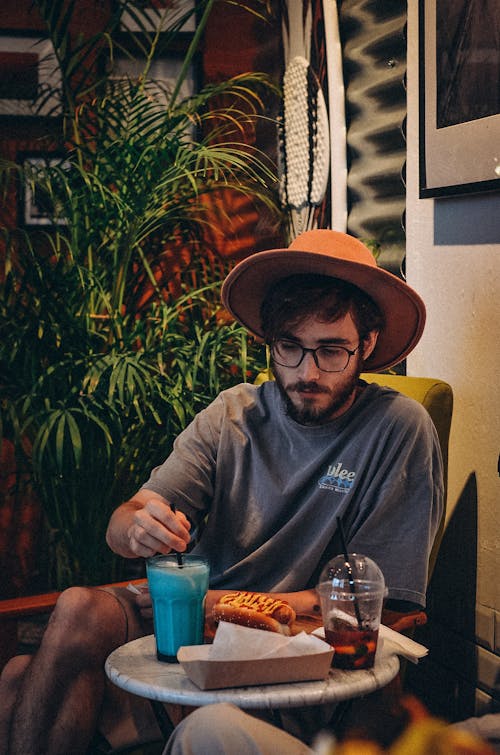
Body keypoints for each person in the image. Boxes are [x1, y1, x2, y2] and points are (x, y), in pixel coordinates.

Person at [0, 230, 443, 754]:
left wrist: (227, 606)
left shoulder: (397, 428)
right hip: (194, 622)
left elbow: (376, 601)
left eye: (331, 351)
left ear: (366, 345)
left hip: (290, 643)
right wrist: (138, 525)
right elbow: (127, 520)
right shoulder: (234, 412)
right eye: (290, 348)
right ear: (270, 343)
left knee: (19, 681)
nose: (307, 372)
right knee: (75, 610)